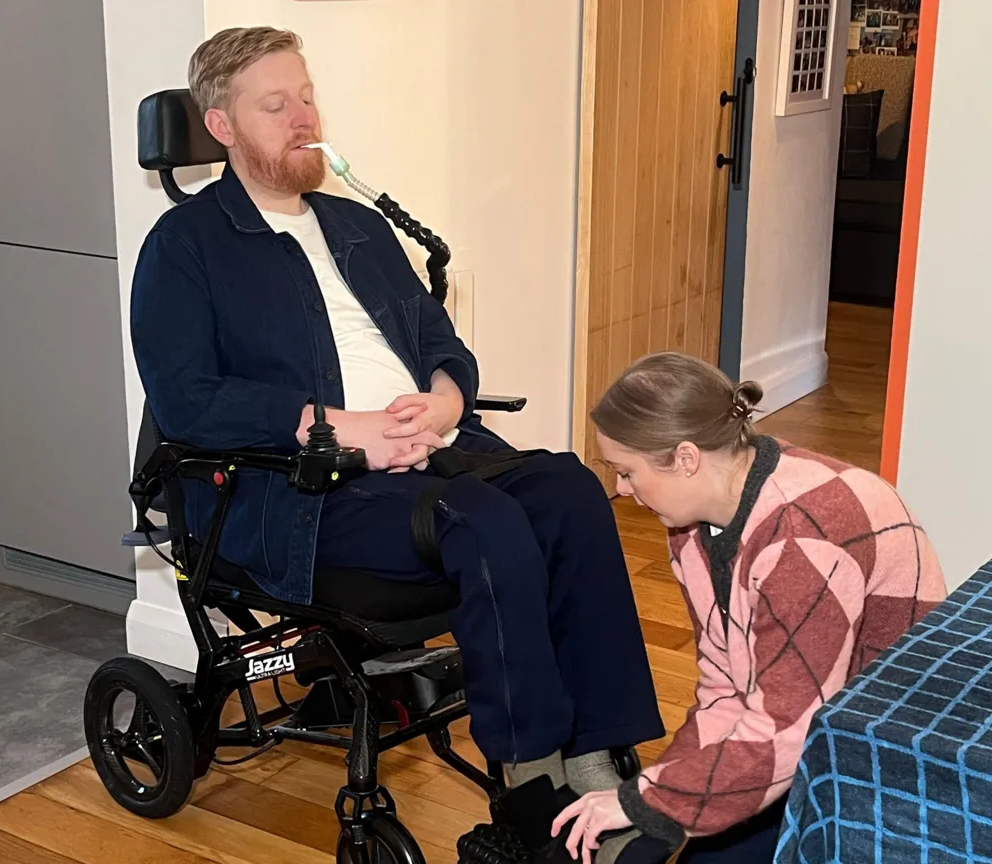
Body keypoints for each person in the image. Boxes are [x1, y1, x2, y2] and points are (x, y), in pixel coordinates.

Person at [128, 25, 665, 832]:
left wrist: (447, 398)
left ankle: (599, 755)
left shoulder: (357, 227)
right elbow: (187, 399)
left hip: (431, 451)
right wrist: (338, 428)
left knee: (569, 490)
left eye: (306, 97)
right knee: (481, 521)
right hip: (301, 489)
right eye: (275, 105)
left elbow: (438, 340)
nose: (303, 117)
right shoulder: (183, 248)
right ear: (221, 126)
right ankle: (531, 789)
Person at [551, 352, 947, 864]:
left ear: (686, 458)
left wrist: (651, 802)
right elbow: (724, 683)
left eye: (627, 472)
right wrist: (657, 789)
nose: (622, 490)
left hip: (892, 752)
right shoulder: (694, 523)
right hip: (811, 723)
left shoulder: (802, 536)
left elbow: (786, 729)